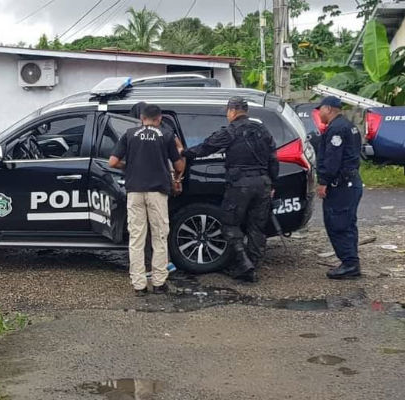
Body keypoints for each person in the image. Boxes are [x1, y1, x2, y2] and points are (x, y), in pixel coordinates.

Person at [181, 97, 278, 283]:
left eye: (228, 111)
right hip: (263, 184)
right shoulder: (263, 130)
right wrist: (272, 183)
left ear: (232, 111)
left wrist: (183, 153)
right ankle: (252, 264)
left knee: (229, 223)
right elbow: (273, 159)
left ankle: (244, 264)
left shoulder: (230, 131)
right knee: (256, 226)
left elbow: (205, 148)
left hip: (240, 184)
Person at [109, 104, 185, 296]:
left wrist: (130, 166)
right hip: (158, 192)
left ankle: (139, 285)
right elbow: (178, 165)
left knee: (136, 238)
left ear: (141, 118)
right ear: (159, 119)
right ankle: (159, 283)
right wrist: (179, 156)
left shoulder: (129, 133)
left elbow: (113, 162)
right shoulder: (165, 135)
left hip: (134, 191)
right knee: (159, 236)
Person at [315, 96, 363, 279]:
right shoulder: (348, 126)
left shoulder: (337, 129)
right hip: (350, 182)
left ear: (328, 108)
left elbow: (332, 159)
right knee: (347, 223)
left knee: (338, 223)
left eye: (321, 109)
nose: (319, 113)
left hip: (342, 185)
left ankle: (350, 264)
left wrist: (323, 182)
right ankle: (350, 261)